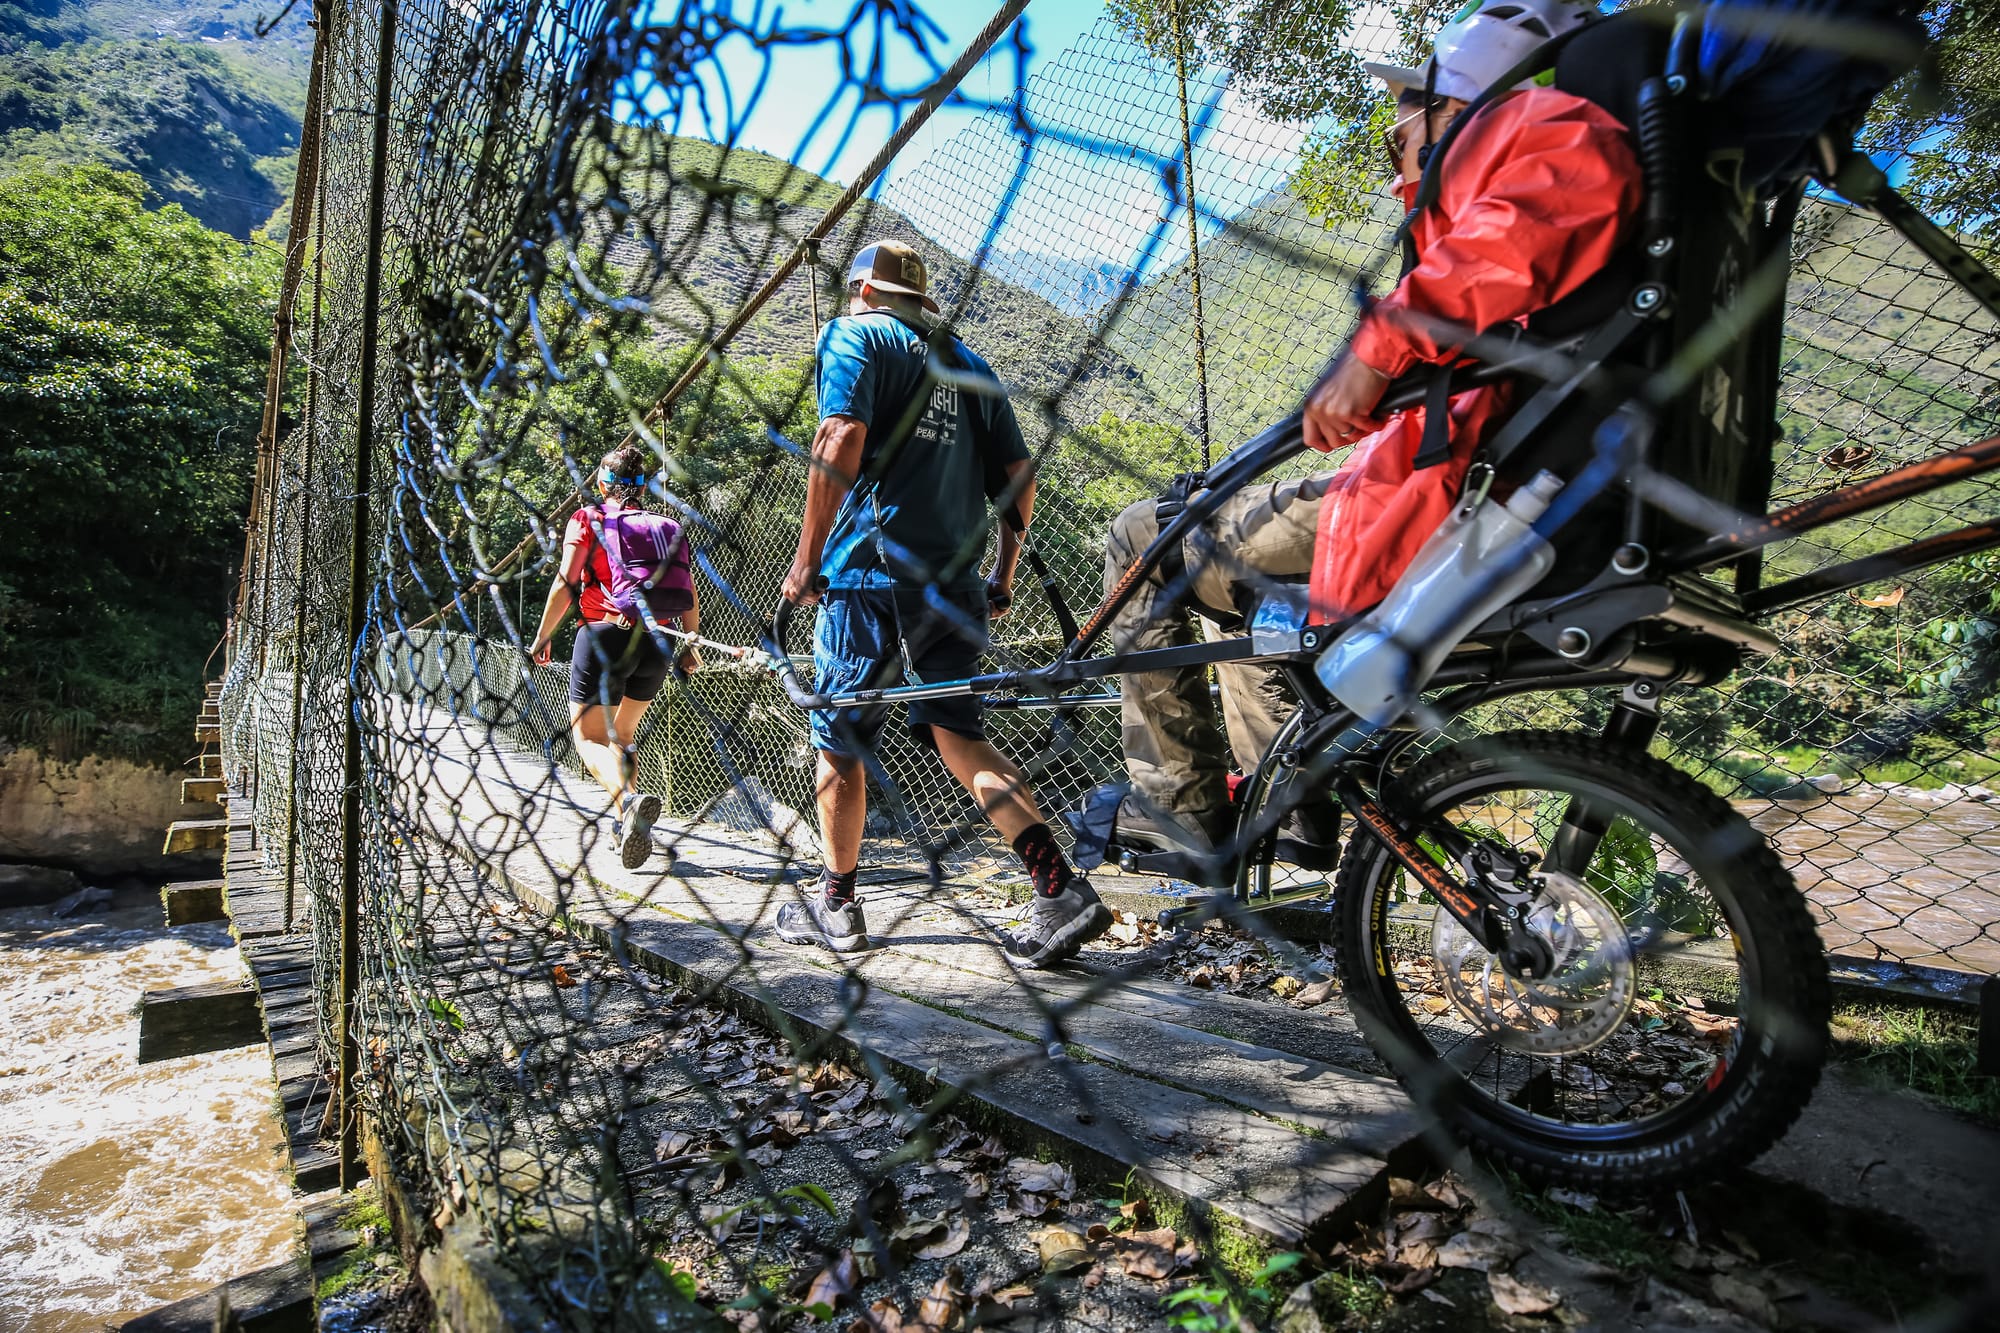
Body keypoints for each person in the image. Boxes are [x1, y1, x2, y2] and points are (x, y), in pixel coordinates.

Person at [1097, 0, 1641, 861]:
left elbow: (1498, 254)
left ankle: (1178, 812)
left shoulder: (1548, 129)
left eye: (1404, 125)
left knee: (1143, 535)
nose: (1400, 151)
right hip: (1463, 477)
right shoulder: (1532, 155)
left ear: (1460, 105)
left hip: (1455, 493)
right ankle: (1290, 805)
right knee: (1226, 576)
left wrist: (1376, 350)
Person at [775, 239, 1110, 965]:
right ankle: (1058, 888)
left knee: (838, 735)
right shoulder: (969, 362)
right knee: (957, 733)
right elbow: (1017, 472)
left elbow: (841, 433)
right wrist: (1003, 571)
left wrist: (805, 560)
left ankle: (837, 905)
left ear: (863, 290)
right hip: (952, 580)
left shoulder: (854, 333)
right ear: (920, 301)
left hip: (867, 576)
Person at [530, 444, 700, 869]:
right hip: (659, 641)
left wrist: (543, 635)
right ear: (644, 487)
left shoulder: (588, 518)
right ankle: (624, 825)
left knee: (587, 738)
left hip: (605, 635)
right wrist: (691, 646)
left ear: (601, 483)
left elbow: (567, 582)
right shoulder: (667, 525)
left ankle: (628, 803)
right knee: (622, 736)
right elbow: (689, 590)